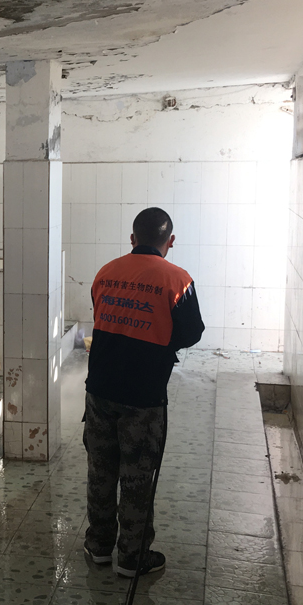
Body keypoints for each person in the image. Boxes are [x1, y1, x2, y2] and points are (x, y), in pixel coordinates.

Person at [82, 206, 204, 577]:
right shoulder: (177, 279)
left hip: (100, 388)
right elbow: (192, 332)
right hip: (143, 395)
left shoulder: (106, 272)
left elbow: (100, 313)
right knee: (136, 476)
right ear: (170, 241)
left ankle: (99, 545)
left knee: (100, 469)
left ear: (133, 238)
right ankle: (132, 557)